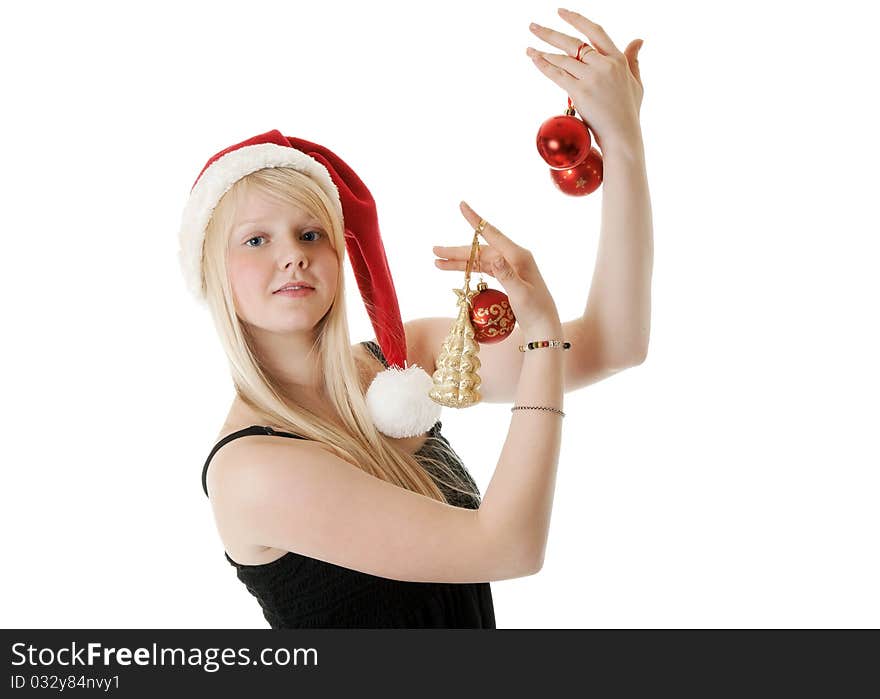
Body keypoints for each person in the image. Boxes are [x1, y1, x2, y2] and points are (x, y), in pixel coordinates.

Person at [178, 129, 567, 628]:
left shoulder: (400, 363)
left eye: (311, 234)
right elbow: (510, 546)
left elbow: (613, 344)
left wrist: (621, 140)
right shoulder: (252, 470)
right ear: (212, 272)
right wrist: (542, 337)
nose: (293, 254)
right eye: (256, 239)